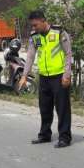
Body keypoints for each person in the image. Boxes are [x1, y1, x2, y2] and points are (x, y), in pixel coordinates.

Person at [18, 10, 73, 148]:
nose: (34, 28)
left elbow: (68, 54)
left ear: (43, 21)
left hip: (59, 76)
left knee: (62, 108)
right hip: (43, 77)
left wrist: (67, 75)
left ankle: (64, 137)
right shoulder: (35, 36)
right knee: (45, 108)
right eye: (32, 26)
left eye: (35, 25)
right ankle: (44, 135)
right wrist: (24, 76)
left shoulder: (58, 32)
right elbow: (30, 56)